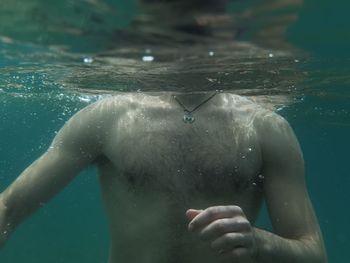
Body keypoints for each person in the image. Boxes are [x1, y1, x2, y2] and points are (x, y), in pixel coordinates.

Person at [0, 91, 327, 263]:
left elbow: (313, 254)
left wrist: (260, 242)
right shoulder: (108, 117)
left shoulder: (265, 128)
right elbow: (9, 208)